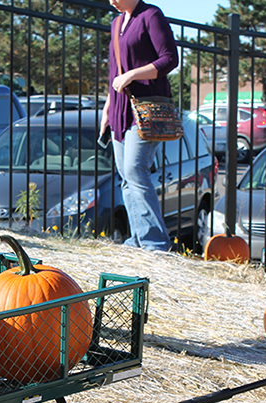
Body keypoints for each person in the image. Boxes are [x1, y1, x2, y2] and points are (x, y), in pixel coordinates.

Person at [100, 0, 178, 252]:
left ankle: (156, 244)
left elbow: (169, 59)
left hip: (145, 109)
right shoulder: (116, 23)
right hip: (120, 110)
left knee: (135, 170)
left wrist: (133, 74)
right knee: (126, 176)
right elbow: (115, 72)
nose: (111, 1)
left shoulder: (151, 15)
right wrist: (107, 108)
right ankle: (137, 240)